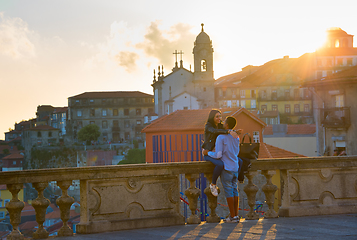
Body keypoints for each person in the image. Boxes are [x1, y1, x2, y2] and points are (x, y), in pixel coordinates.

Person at [203, 116, 240, 223]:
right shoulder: (236, 137)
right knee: (235, 190)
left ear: (227, 125)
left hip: (227, 167)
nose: (223, 124)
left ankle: (232, 217)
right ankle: (236, 216)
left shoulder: (221, 137)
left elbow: (218, 155)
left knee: (229, 192)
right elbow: (237, 153)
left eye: (224, 123)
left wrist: (207, 153)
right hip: (235, 167)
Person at [202, 109, 241, 197]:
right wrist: (229, 131)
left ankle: (240, 177)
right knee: (220, 164)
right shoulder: (208, 126)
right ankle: (213, 184)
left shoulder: (220, 125)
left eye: (220, 116)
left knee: (239, 160)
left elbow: (227, 128)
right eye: (217, 116)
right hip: (207, 152)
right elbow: (215, 131)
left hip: (216, 152)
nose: (219, 118)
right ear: (212, 117)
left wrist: (235, 131)